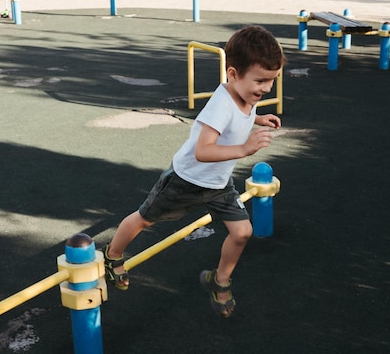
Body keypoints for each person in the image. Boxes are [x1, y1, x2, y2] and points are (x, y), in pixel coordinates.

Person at [102, 25, 286, 317]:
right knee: (143, 220)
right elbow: (203, 150)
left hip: (217, 184)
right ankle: (112, 256)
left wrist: (258, 118)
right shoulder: (220, 105)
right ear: (233, 74)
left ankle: (219, 279)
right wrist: (244, 150)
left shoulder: (246, 95)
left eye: (271, 81)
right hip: (185, 180)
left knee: (242, 232)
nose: (265, 88)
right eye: (261, 80)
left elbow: (239, 118)